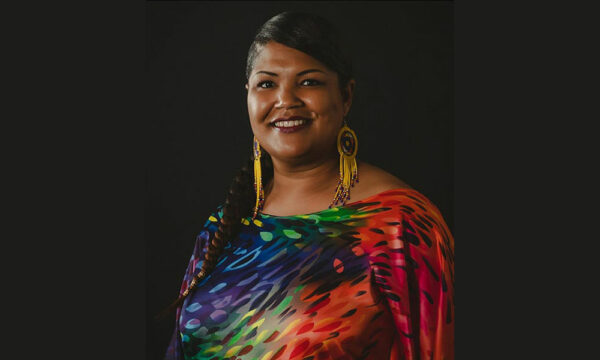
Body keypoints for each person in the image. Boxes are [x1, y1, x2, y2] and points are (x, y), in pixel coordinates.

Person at [163, 11, 454, 360]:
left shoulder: (399, 223)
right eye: (267, 83)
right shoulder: (225, 226)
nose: (285, 100)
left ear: (346, 96)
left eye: (309, 82)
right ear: (248, 96)